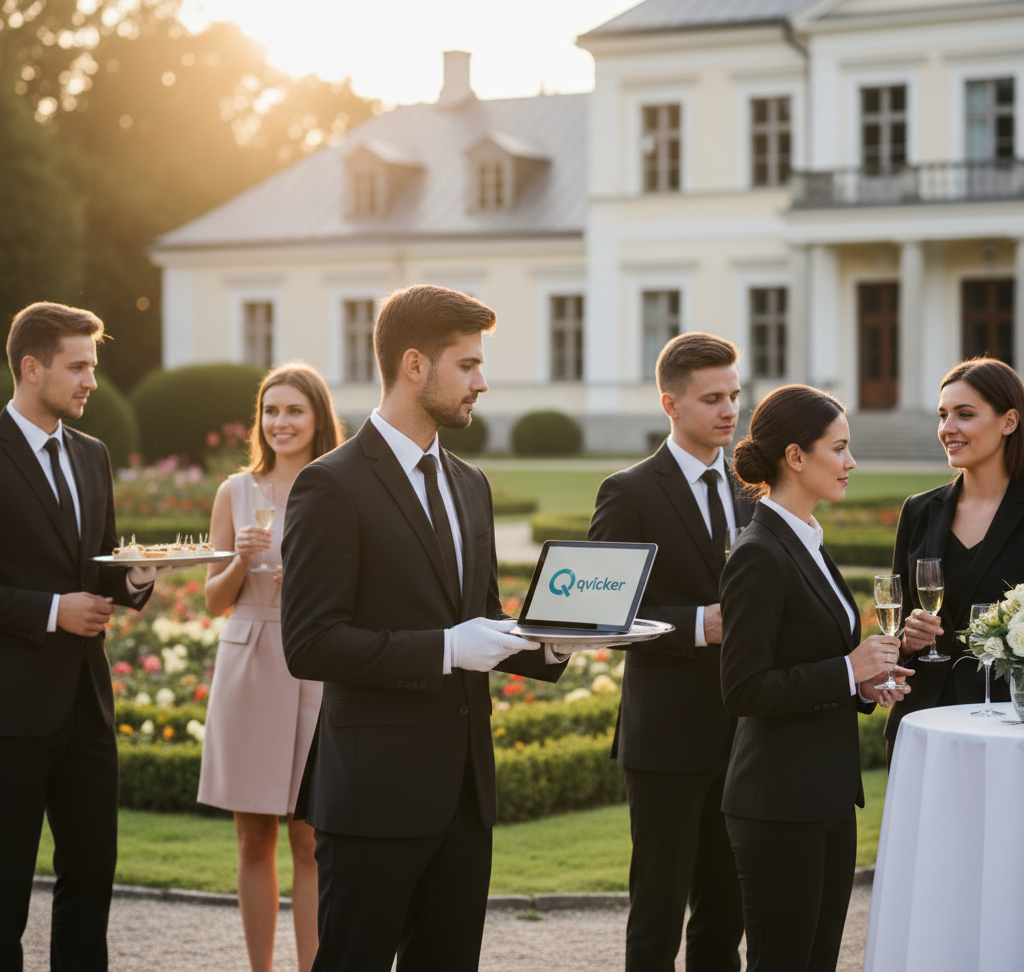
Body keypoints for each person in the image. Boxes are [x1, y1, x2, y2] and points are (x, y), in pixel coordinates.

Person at [280, 284, 568, 972]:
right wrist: (445, 650)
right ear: (414, 366)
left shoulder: (472, 483)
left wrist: (556, 642)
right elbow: (310, 642)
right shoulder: (330, 485)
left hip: (465, 795)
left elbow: (483, 619)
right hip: (371, 796)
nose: (481, 382)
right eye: (466, 365)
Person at [720, 384, 910, 972]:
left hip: (826, 795)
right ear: (796, 457)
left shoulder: (806, 539)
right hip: (778, 804)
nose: (851, 462)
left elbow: (812, 661)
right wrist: (846, 668)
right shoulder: (759, 552)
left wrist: (860, 684)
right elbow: (744, 688)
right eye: (841, 448)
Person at [0, 302, 155, 971]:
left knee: (91, 883)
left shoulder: (93, 455)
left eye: (94, 365)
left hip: (89, 709)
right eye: (80, 366)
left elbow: (102, 559)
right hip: (11, 711)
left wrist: (140, 579)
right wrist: (49, 610)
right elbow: (55, 593)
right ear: (33, 369)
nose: (92, 380)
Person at [588, 332, 747, 972]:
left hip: (743, 730)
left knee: (726, 916)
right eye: (713, 398)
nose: (730, 410)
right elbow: (597, 615)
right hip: (666, 740)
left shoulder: (751, 486)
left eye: (735, 395)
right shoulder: (627, 492)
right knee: (657, 914)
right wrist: (694, 625)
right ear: (670, 404)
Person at [200, 363, 342, 972]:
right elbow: (213, 599)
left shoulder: (336, 487)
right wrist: (240, 561)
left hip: (312, 662)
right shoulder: (236, 492)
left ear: (317, 420)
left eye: (294, 411)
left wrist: (306, 584)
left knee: (310, 839)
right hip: (251, 661)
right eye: (271, 411)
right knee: (253, 834)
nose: (280, 423)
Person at [884, 357, 1022, 764]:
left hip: (1007, 725)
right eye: (943, 415)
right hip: (924, 720)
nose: (948, 429)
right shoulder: (919, 511)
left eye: (965, 414)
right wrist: (908, 640)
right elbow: (897, 622)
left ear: (1008, 421)